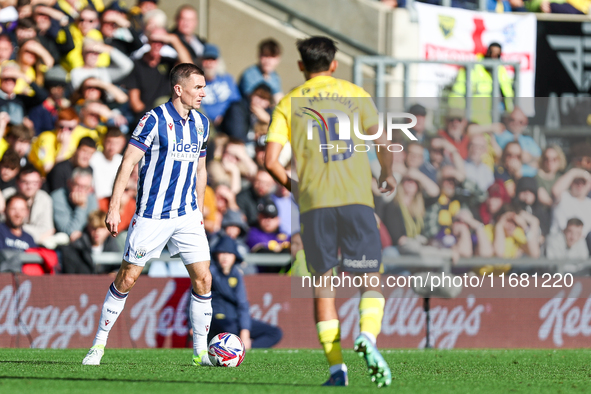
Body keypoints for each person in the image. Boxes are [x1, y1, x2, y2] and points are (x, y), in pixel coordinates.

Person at [264, 36, 395, 387]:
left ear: (300, 66)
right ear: (334, 64)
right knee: (370, 280)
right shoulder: (355, 93)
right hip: (356, 201)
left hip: (315, 205)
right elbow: (382, 142)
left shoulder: (288, 102)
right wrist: (386, 172)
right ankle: (367, 336)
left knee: (324, 287)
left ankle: (337, 370)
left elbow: (270, 161)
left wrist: (297, 191)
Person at [82, 63, 213, 368]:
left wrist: (200, 209)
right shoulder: (153, 120)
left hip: (187, 215)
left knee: (203, 278)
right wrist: (114, 208)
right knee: (128, 276)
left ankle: (201, 353)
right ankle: (98, 345)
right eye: (198, 87)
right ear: (179, 89)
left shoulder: (202, 124)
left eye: (204, 87)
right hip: (152, 215)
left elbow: (201, 169)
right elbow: (127, 163)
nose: (203, 93)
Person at [209, 236, 282, 348]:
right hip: (216, 319)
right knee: (229, 329)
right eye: (222, 252)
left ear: (234, 257)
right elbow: (194, 299)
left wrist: (245, 330)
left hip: (235, 319)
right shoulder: (209, 274)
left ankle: (245, 349)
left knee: (275, 332)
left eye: (229, 253)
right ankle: (235, 349)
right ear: (216, 255)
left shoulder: (236, 274)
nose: (225, 257)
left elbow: (242, 304)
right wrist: (192, 324)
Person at [3, 165, 55, 245]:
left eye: (34, 183)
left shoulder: (45, 199)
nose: (30, 186)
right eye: (26, 182)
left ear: (40, 183)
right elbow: (3, 224)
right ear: (17, 181)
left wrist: (18, 229)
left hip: (35, 246)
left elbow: (48, 231)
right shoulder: (6, 195)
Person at [51, 167, 98, 242]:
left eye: (85, 187)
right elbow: (69, 231)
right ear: (69, 183)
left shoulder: (91, 198)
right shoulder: (58, 197)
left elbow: (95, 225)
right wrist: (81, 207)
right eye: (77, 185)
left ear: (90, 189)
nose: (80, 190)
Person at [495, 107, 541, 178]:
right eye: (512, 120)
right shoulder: (499, 135)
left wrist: (530, 158)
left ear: (525, 123)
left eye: (520, 122)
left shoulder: (528, 140)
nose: (516, 123)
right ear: (506, 120)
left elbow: (540, 160)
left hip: (527, 179)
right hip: (504, 176)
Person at [238, 39, 283, 103]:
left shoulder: (275, 77)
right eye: (266, 56)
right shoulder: (249, 74)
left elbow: (279, 100)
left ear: (278, 59)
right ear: (259, 55)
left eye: (272, 57)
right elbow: (254, 104)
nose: (268, 61)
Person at [90, 127, 126, 199]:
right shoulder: (93, 158)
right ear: (104, 141)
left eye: (116, 143)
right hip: (96, 200)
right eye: (109, 142)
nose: (112, 147)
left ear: (123, 144)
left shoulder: (122, 161)